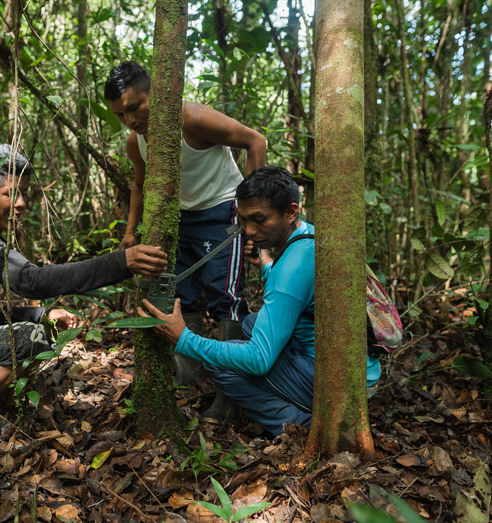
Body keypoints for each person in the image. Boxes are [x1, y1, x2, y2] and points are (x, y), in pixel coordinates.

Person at [0, 144, 168, 414]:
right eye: (10, 194)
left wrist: (42, 313)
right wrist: (122, 262)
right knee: (31, 340)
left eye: (24, 194)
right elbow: (33, 280)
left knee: (36, 332)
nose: (21, 203)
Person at [138, 167, 381, 437]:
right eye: (242, 220)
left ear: (291, 211)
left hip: (345, 387)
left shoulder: (290, 270)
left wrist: (183, 338)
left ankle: (303, 425)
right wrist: (267, 265)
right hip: (360, 369)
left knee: (220, 363)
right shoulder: (310, 236)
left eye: (260, 220)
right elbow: (302, 286)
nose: (249, 231)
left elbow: (258, 360)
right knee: (253, 323)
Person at [104, 62, 267, 343]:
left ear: (155, 95)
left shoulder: (193, 118)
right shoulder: (136, 142)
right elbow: (140, 185)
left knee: (224, 295)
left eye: (134, 108)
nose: (129, 120)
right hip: (179, 219)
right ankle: (189, 379)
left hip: (222, 210)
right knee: (180, 294)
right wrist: (130, 232)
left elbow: (256, 142)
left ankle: (233, 379)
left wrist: (251, 214)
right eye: (120, 114)